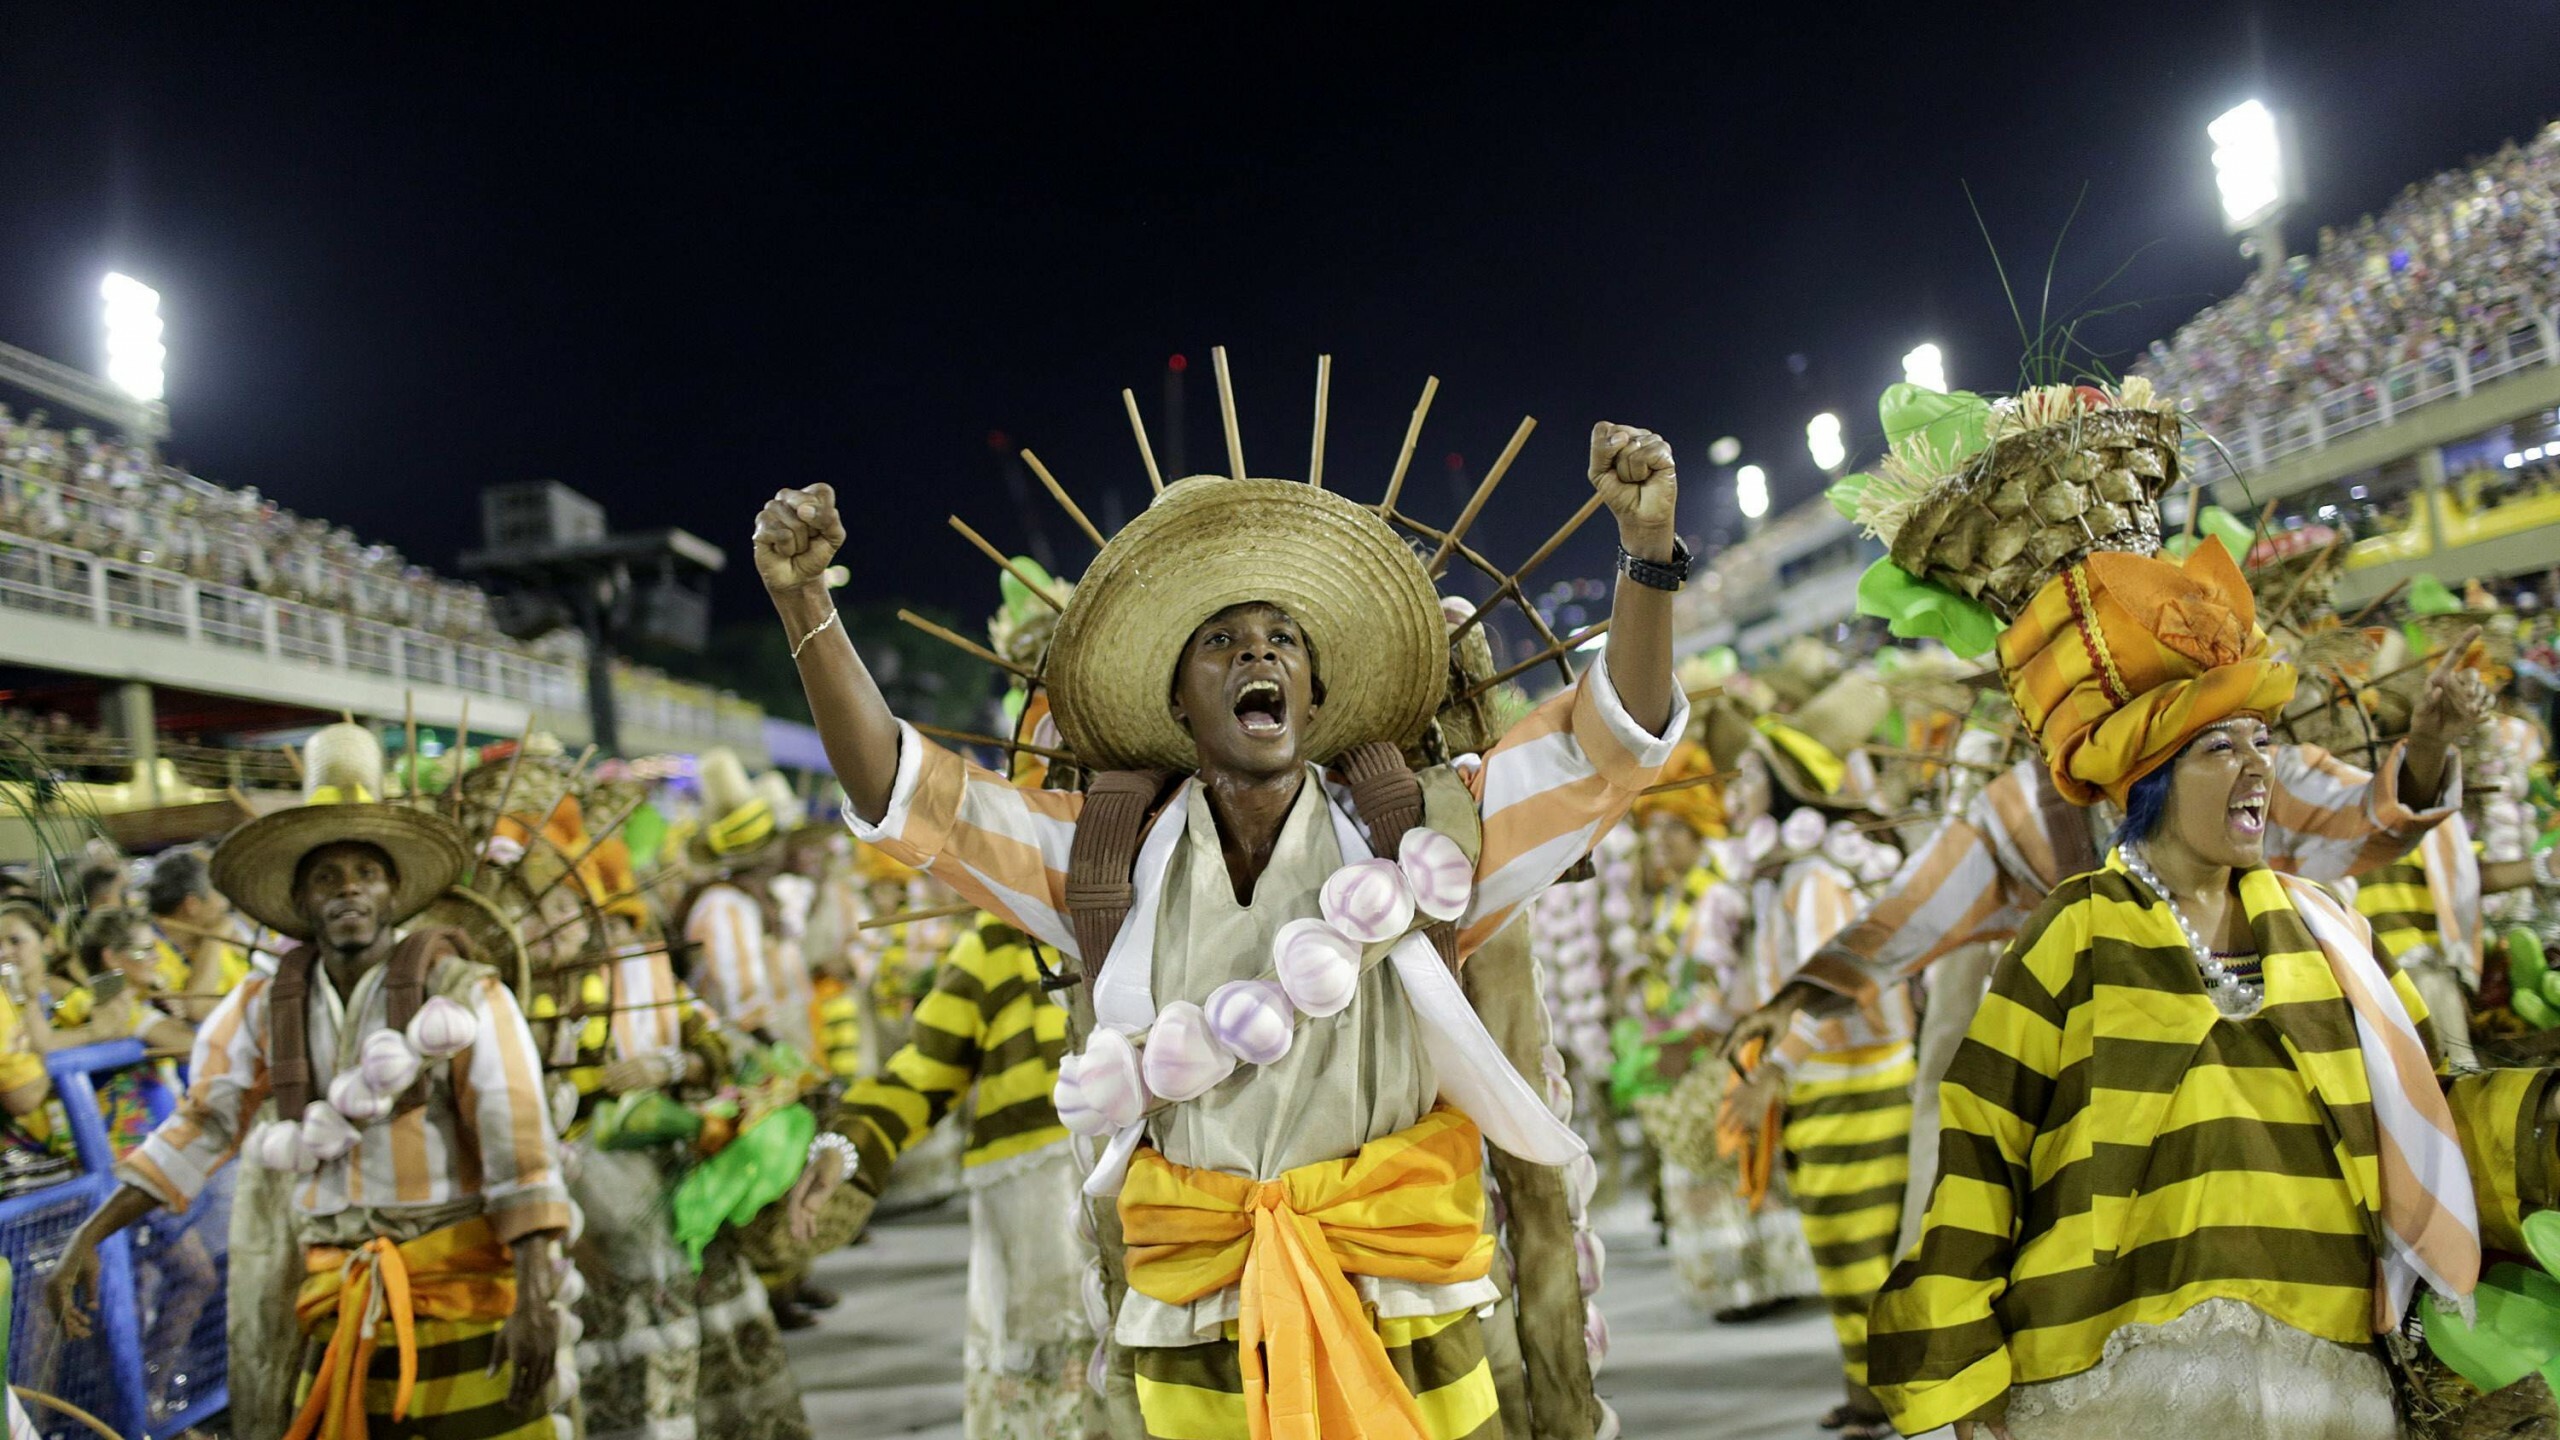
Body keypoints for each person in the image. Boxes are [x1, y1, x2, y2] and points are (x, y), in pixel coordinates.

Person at [758, 412, 1686, 1440]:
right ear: (1181, 703)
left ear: (1315, 691)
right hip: (1194, 1335)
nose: (1259, 653)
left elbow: (1608, 749)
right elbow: (908, 795)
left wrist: (1645, 562)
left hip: (1410, 1323)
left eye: (1282, 639)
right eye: (1222, 642)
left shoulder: (1429, 833)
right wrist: (806, 609)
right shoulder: (1097, 862)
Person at [1868, 533, 2554, 1439]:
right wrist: (1963, 1368)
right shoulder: (2070, 937)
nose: (2258, 766)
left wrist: (2544, 1125)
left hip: (2327, 1389)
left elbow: (2432, 1117)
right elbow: (1983, 1151)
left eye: (2261, 740)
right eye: (2217, 748)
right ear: (2146, 781)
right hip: (2110, 1393)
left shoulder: (2331, 931)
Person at [42, 722, 572, 1440]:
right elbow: (202, 1125)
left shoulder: (465, 994)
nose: (348, 888)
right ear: (300, 899)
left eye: (367, 872)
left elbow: (523, 1154)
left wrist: (537, 1297)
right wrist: (90, 1236)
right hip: (335, 1304)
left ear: (395, 893)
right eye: (327, 875)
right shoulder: (260, 1008)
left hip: (463, 1299)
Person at [789, 911, 1100, 1438]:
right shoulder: (997, 938)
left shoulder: (1160, 898)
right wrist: (847, 1144)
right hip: (1035, 1217)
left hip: (1151, 1197)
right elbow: (925, 1069)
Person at [143, 845, 254, 1024]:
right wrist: (214, 938)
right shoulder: (146, 951)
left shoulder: (229, 936)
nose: (226, 904)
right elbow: (198, 1010)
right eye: (219, 894)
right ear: (192, 904)